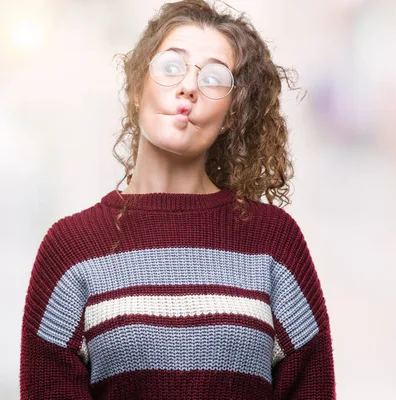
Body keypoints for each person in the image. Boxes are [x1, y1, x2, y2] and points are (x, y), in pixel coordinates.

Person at [19, 1, 336, 399]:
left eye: (214, 78)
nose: (188, 86)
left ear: (233, 113)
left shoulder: (274, 242)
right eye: (172, 67)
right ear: (138, 88)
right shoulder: (71, 249)